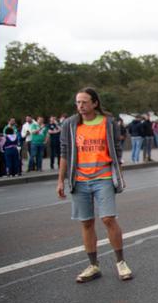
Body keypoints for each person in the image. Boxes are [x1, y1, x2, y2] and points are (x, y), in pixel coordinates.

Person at [56, 87, 132, 283]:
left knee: (108, 219)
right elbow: (64, 153)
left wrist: (119, 176)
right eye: (78, 102)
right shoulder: (70, 124)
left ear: (95, 103)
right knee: (87, 222)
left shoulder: (108, 123)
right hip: (79, 180)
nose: (80, 106)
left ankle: (121, 262)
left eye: (84, 102)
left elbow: (116, 150)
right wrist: (60, 180)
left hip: (103, 177)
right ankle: (93, 265)